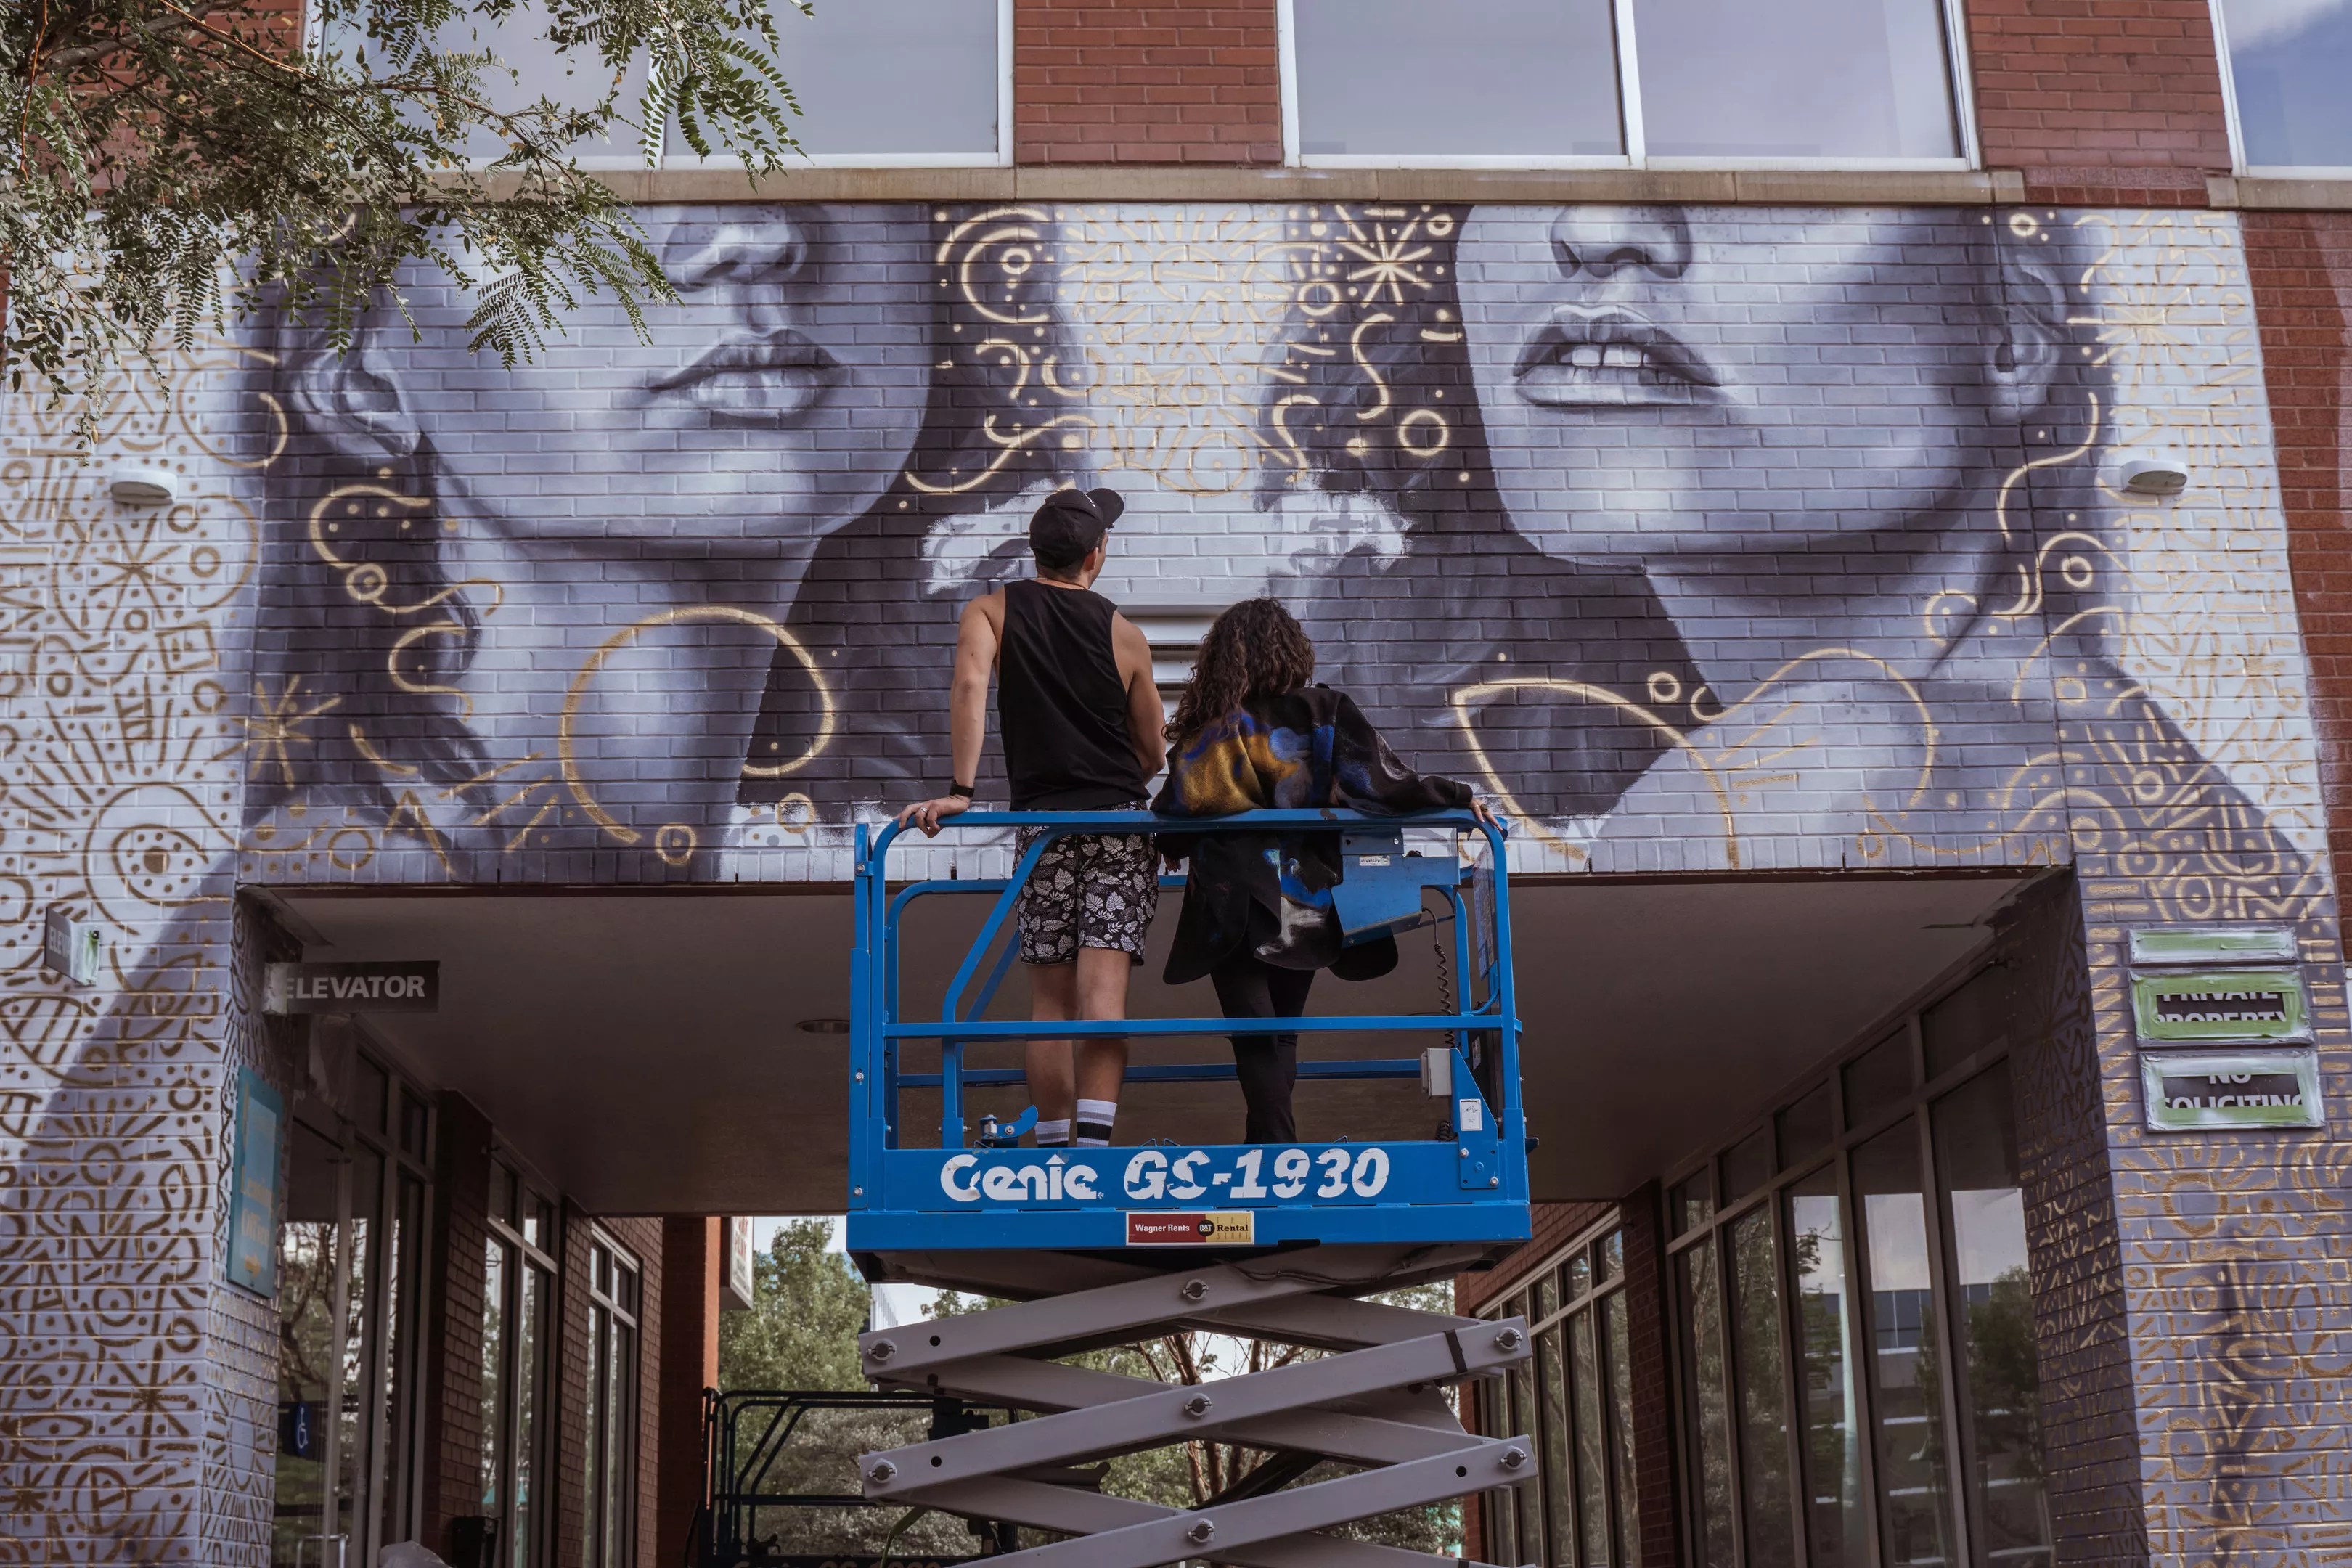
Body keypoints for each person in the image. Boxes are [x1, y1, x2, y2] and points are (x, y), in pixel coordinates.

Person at [1153, 597, 1495, 1144]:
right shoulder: (1325, 711)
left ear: (1223, 658)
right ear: (1292, 650)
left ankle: (1275, 1154)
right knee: (1282, 1037)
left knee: (1256, 1035)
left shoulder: (1214, 728)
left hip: (1228, 902)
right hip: (1304, 897)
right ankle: (1273, 1156)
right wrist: (1458, 794)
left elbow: (1177, 814)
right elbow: (1383, 782)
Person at [898, 486, 1167, 1149]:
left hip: (1042, 827)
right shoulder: (1124, 632)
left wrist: (961, 788)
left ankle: (1051, 1145)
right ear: (1095, 557)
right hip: (1119, 828)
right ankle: (1095, 1147)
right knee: (1104, 999)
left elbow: (969, 686)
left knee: (1050, 1003)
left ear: (1034, 550)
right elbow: (1155, 750)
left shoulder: (990, 611)